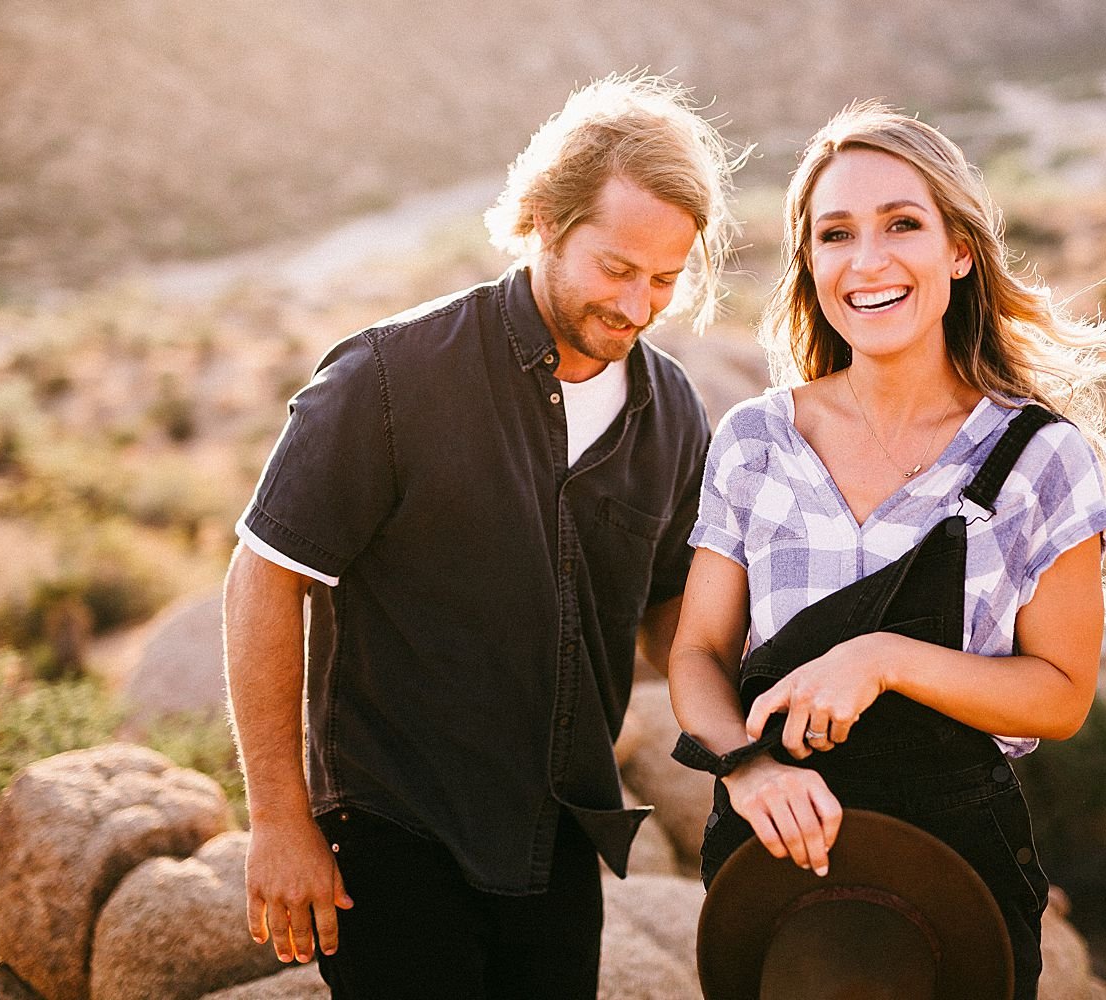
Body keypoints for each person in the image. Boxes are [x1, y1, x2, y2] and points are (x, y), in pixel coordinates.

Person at [668, 102, 1106, 1000]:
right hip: (772, 855)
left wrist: (883, 658)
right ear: (810, 263)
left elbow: (1061, 694)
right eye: (836, 234)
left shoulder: (1037, 457)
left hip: (954, 864)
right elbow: (697, 654)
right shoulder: (753, 441)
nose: (869, 260)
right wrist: (748, 765)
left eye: (904, 224)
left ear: (959, 250)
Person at [222, 73, 740, 999]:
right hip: (393, 834)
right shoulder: (389, 377)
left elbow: (673, 609)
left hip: (557, 845)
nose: (638, 305)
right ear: (543, 218)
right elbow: (266, 576)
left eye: (665, 279)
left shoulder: (673, 414)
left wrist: (751, 733)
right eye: (616, 269)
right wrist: (278, 820)